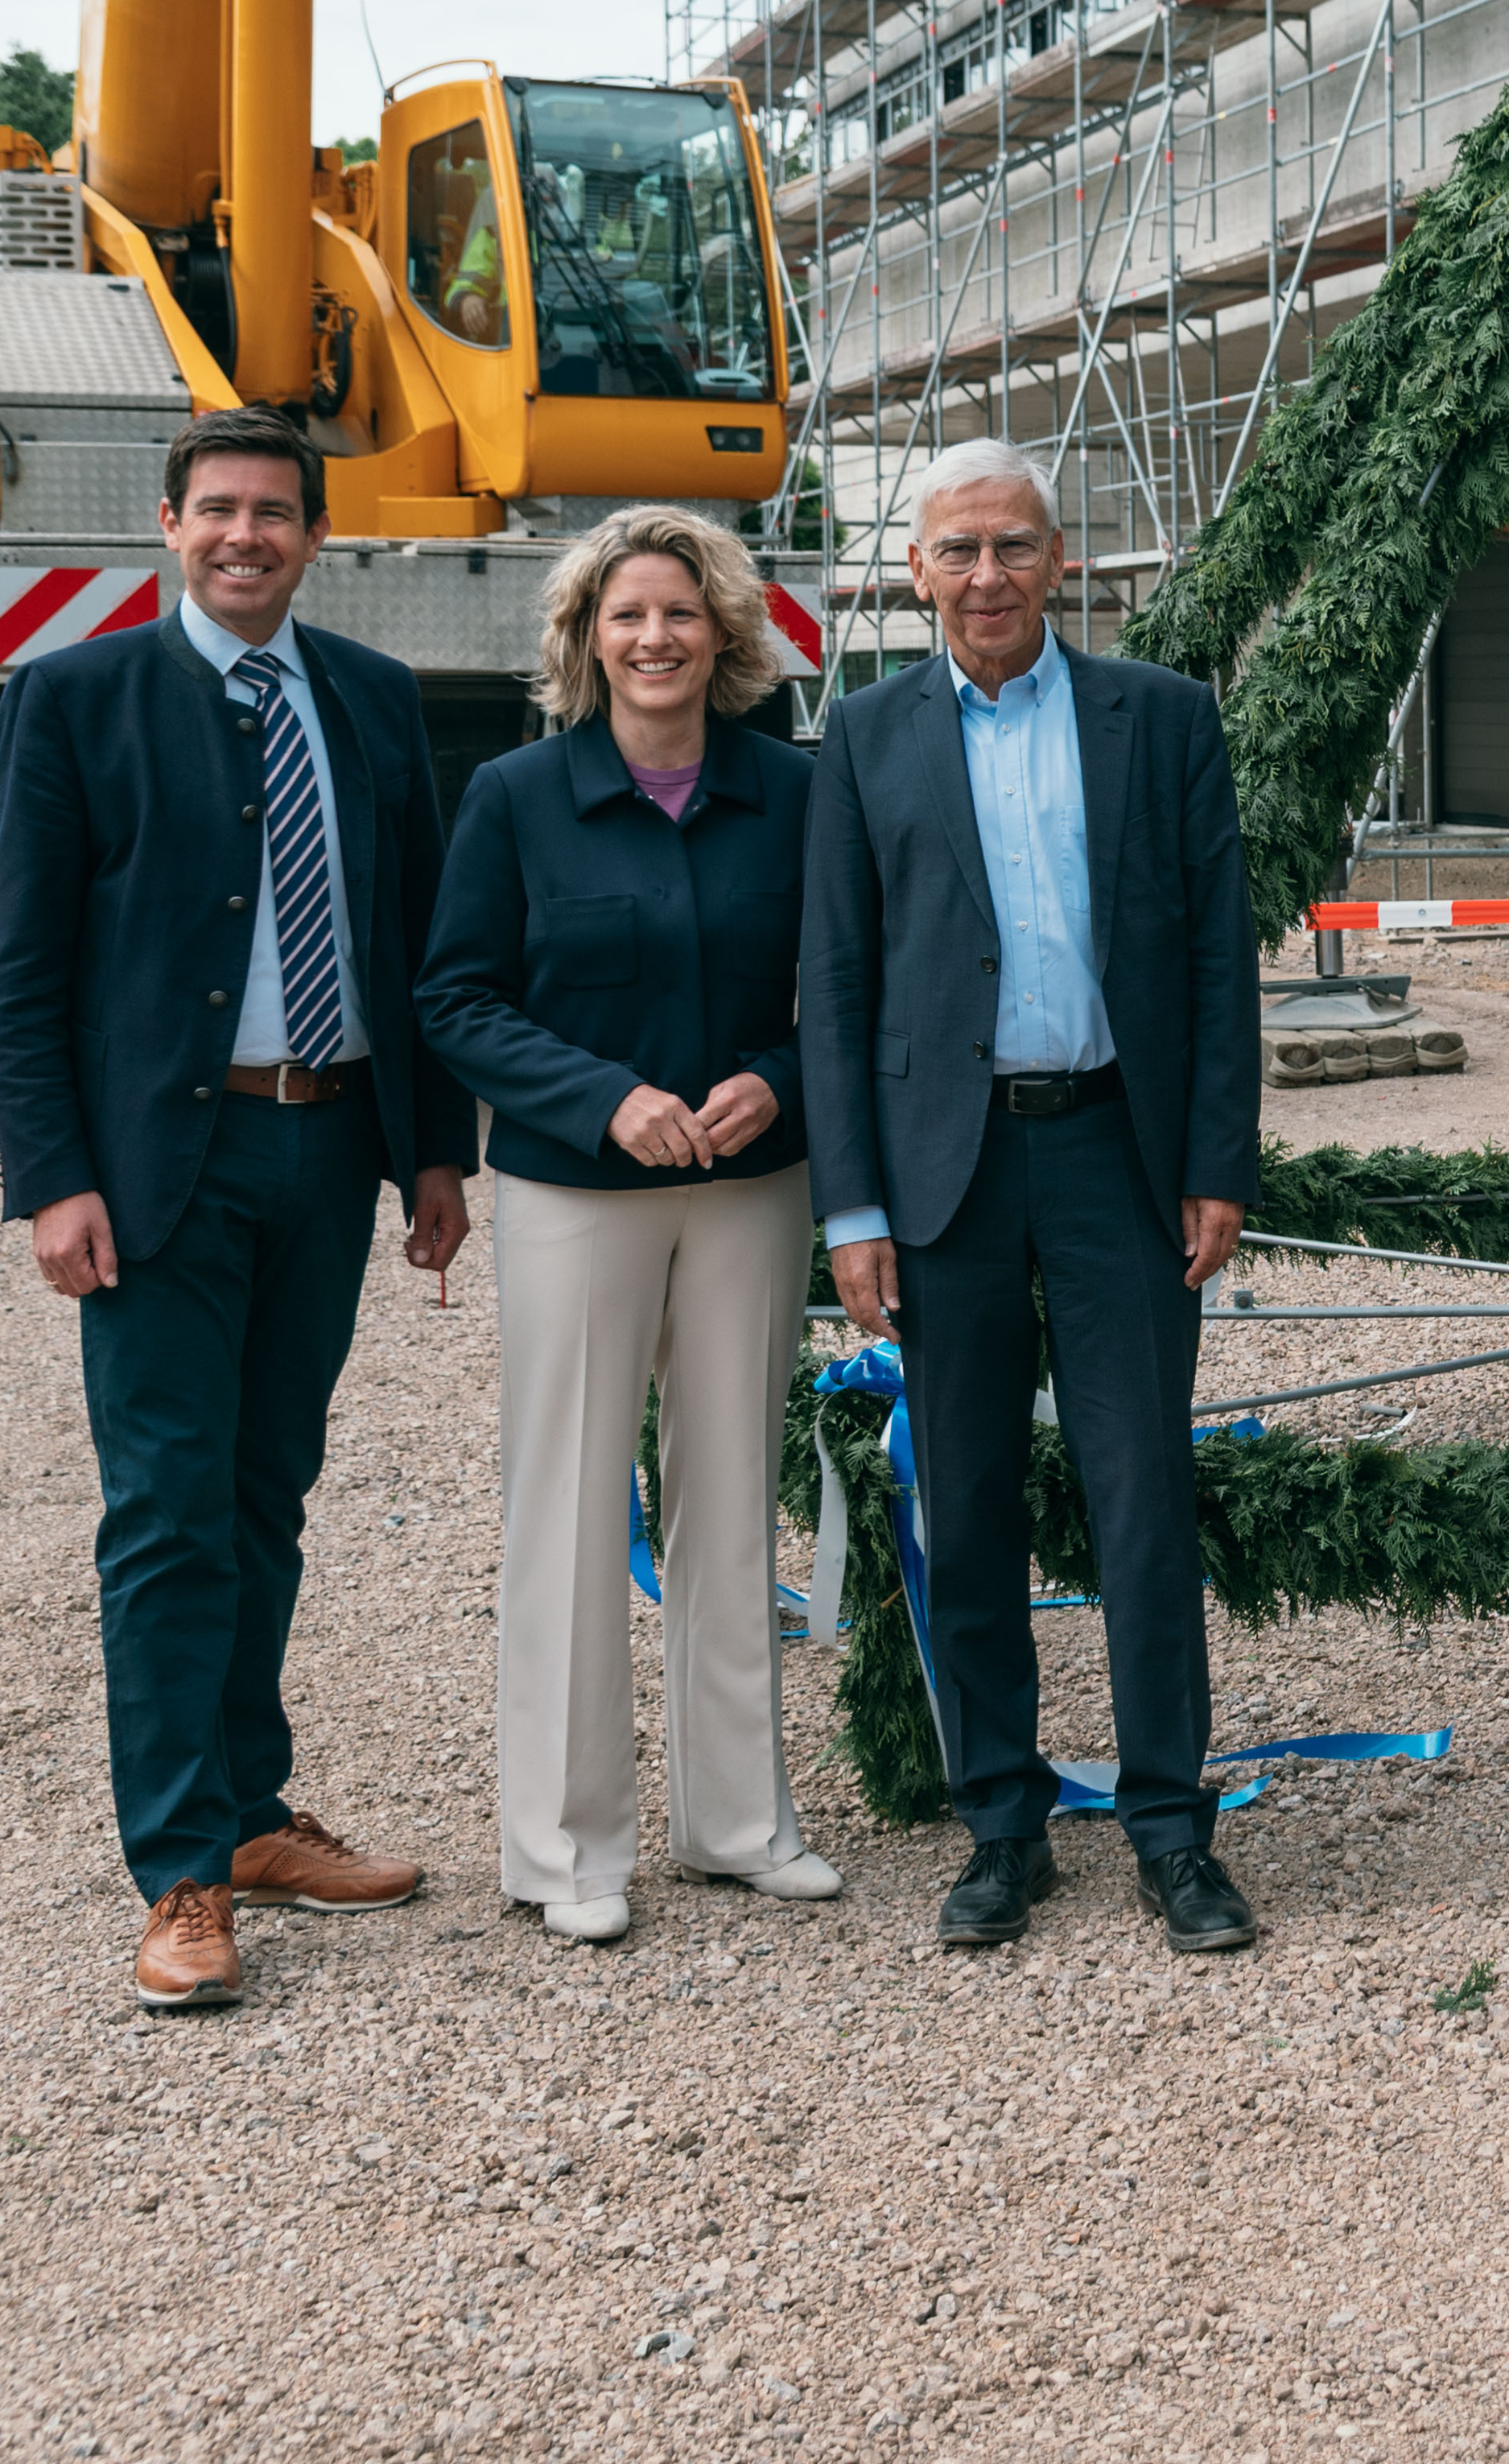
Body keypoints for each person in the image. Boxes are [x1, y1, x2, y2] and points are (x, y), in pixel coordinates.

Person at [0, 405, 473, 2012]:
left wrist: (437, 1155)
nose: (248, 535)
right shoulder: (76, 698)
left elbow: (412, 947)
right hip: (155, 1175)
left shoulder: (375, 701)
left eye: (277, 513)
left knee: (268, 1492)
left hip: (326, 1153)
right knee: (170, 1512)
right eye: (220, 510)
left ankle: (256, 1814)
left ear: (316, 537)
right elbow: (23, 969)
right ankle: (182, 1867)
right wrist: (51, 1175)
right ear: (170, 524)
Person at [804, 438, 1263, 1954]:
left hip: (1117, 1157)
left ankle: (1170, 1830)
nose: (986, 577)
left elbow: (1212, 960)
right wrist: (852, 1209)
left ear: (1060, 562)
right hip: (949, 1170)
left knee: (1143, 1496)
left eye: (1012, 547)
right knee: (972, 1498)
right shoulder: (863, 738)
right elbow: (838, 983)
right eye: (957, 551)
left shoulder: (1164, 719)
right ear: (916, 570)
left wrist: (1213, 1164)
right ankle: (1000, 1823)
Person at [416, 510, 843, 1945]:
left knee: (731, 1502)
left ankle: (737, 1824)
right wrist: (603, 1100)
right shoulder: (516, 796)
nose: (653, 638)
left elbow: (846, 990)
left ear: (726, 633)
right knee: (572, 1508)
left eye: (680, 612)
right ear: (584, 640)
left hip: (749, 1190)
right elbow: (457, 999)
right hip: (574, 1194)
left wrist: (774, 1084)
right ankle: (564, 1850)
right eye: (625, 616)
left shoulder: (796, 793)